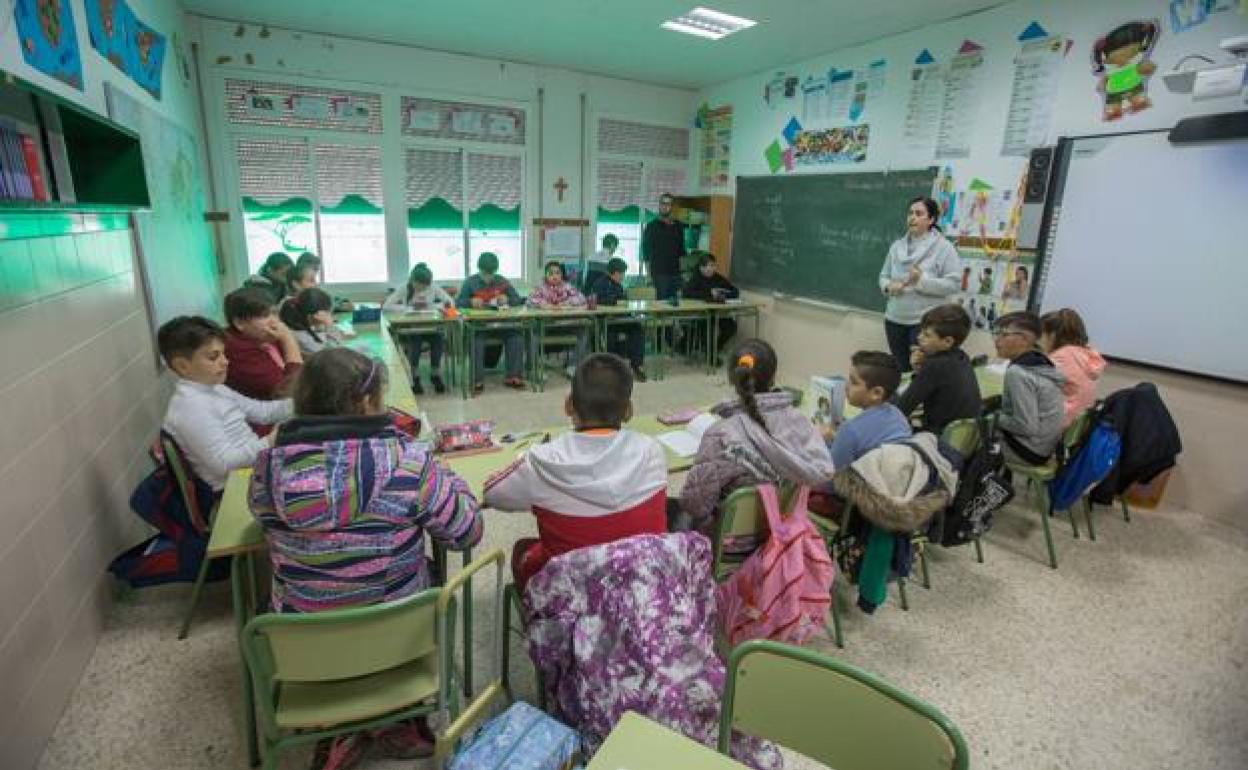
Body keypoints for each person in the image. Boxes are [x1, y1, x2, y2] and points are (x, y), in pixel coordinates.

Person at [249, 348, 482, 766]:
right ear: (366, 402)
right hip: (400, 638)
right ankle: (397, 720)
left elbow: (262, 520)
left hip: (302, 647)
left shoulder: (267, 467)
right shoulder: (408, 462)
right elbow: (467, 531)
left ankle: (339, 731)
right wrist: (446, 476)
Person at [484, 353, 667, 593]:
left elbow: (492, 495)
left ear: (569, 404)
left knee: (522, 550)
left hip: (571, 599)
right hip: (640, 589)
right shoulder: (652, 451)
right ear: (628, 411)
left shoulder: (541, 462)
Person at [679, 339, 834, 530]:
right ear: (774, 376)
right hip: (782, 531)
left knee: (679, 513)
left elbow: (694, 505)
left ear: (731, 378)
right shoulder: (800, 422)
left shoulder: (721, 435)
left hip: (729, 543)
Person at [159, 316, 291, 492]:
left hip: (255, 469)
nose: (225, 361)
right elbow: (223, 465)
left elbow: (264, 412)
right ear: (183, 366)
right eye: (214, 357)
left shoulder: (214, 389)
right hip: (236, 487)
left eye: (223, 354)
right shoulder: (190, 407)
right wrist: (271, 440)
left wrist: (306, 400)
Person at [879, 197, 961, 372]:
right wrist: (888, 286)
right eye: (910, 213)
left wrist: (921, 281)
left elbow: (953, 284)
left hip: (924, 323)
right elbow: (884, 276)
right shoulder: (896, 247)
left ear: (931, 220)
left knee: (922, 371)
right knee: (902, 371)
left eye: (918, 213)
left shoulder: (943, 247)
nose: (912, 217)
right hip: (894, 319)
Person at [894, 303, 982, 435]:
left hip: (938, 438)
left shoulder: (935, 365)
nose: (919, 337)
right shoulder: (961, 356)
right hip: (962, 439)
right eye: (921, 331)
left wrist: (923, 370)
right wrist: (919, 370)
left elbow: (902, 408)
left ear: (947, 341)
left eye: (927, 335)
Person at [992, 311, 1066, 465]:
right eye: (996, 333)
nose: (996, 340)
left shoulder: (1018, 372)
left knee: (971, 441)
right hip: (1045, 447)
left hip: (1028, 451)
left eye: (1003, 334)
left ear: (1024, 339)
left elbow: (1025, 426)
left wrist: (995, 417)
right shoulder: (1039, 361)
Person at [823, 351, 911, 471]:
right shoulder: (897, 414)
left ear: (877, 393)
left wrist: (823, 442)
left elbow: (830, 476)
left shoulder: (850, 430)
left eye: (854, 382)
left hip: (863, 487)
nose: (846, 386)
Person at [456, 252, 526, 394]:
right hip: (480, 326)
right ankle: (477, 379)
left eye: (491, 273)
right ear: (479, 268)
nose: (488, 277)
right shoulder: (470, 282)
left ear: (496, 270)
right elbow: (457, 303)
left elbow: (518, 300)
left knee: (516, 336)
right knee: (476, 340)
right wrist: (470, 302)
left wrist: (507, 298)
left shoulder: (502, 281)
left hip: (502, 324)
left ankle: (513, 376)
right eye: (485, 273)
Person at [222, 288, 304, 405]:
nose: (275, 322)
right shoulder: (234, 348)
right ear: (239, 323)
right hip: (265, 416)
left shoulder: (261, 336)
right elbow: (287, 392)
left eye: (275, 313)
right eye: (265, 316)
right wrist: (288, 339)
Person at [384, 262, 453, 395]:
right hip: (412, 327)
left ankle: (435, 373)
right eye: (419, 286)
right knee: (415, 342)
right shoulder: (405, 287)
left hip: (430, 326)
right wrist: (408, 308)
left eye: (424, 286)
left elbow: (449, 302)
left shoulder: (433, 287)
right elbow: (387, 306)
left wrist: (434, 306)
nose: (421, 289)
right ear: (413, 280)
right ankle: (414, 375)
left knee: (438, 339)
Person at [1040, 308, 1106, 427]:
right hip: (1073, 430)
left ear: (1053, 335)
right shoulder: (1088, 355)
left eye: (1042, 335)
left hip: (1055, 427)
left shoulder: (1063, 358)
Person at [527, 261, 591, 377]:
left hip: (564, 325)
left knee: (584, 329)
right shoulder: (540, 288)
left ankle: (573, 366)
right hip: (544, 326)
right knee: (531, 332)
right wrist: (545, 305)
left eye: (557, 273)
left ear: (561, 275)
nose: (554, 276)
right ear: (545, 275)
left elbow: (581, 298)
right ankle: (534, 369)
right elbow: (530, 301)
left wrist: (566, 303)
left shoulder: (567, 286)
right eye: (551, 273)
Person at [589, 257, 647, 382]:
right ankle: (612, 367)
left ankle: (637, 365)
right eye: (620, 273)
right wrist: (616, 302)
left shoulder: (619, 286)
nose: (622, 276)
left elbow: (623, 301)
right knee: (610, 334)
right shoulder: (599, 284)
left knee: (637, 327)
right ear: (612, 272)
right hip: (606, 320)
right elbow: (597, 301)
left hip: (620, 318)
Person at [680, 252, 740, 358]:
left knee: (731, 327)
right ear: (701, 268)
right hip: (700, 314)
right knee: (707, 327)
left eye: (712, 266)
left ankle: (716, 347)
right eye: (706, 266)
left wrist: (724, 295)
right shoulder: (695, 278)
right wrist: (709, 293)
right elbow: (687, 294)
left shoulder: (718, 278)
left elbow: (735, 291)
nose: (710, 269)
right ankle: (710, 355)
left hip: (718, 312)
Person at [641, 193, 686, 300]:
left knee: (675, 306)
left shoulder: (679, 226)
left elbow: (681, 251)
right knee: (661, 307)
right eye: (663, 203)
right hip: (659, 274)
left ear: (672, 207)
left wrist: (682, 274)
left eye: (668, 204)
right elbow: (646, 253)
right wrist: (648, 276)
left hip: (676, 274)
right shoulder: (651, 226)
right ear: (659, 205)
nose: (665, 206)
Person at [278, 287, 337, 356]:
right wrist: (329, 326)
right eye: (327, 312)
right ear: (315, 315)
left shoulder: (300, 325)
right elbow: (332, 355)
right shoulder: (302, 337)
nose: (329, 315)